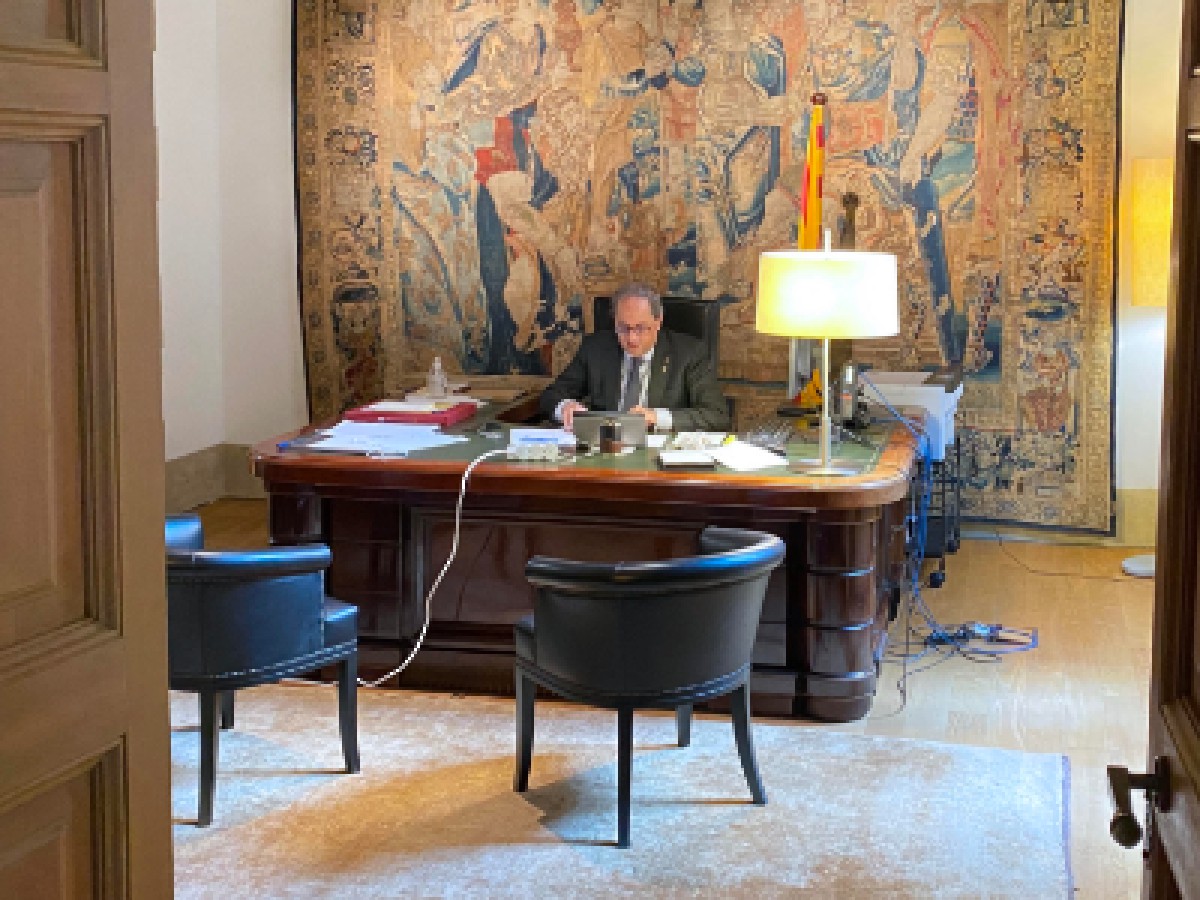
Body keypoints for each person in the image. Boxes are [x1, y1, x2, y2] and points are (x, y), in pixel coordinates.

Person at [539, 283, 730, 432]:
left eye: (641, 328)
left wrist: (656, 417)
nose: (631, 338)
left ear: (658, 322)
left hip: (659, 450)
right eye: (623, 328)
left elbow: (717, 415)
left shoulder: (689, 352)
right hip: (605, 448)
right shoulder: (595, 348)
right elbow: (552, 395)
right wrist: (565, 407)